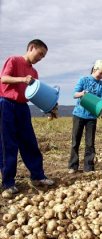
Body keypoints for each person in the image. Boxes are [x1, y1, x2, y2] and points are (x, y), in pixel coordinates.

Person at [0, 39, 55, 194]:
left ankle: (38, 175)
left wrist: (49, 107)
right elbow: (3, 78)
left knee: (29, 141)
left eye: (43, 57)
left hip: (23, 107)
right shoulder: (14, 60)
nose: (40, 58)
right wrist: (22, 79)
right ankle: (8, 182)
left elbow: (34, 94)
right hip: (6, 104)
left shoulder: (34, 72)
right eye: (40, 54)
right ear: (32, 47)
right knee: (8, 144)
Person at [68, 60, 102, 173]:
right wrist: (82, 93)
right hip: (79, 114)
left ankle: (89, 167)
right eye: (101, 73)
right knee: (75, 141)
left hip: (92, 116)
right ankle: (73, 166)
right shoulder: (83, 80)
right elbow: (74, 94)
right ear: (95, 69)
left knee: (90, 143)